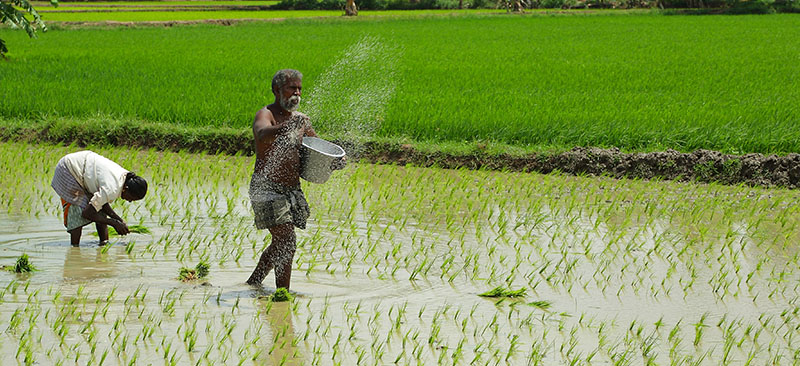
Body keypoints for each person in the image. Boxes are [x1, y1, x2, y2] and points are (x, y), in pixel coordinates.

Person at [246, 69, 345, 289]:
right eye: (292, 88)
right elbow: (262, 133)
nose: (297, 93)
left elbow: (317, 147)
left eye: (299, 88)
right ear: (277, 90)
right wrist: (285, 127)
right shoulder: (267, 115)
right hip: (267, 187)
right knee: (286, 241)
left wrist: (335, 161)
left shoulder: (301, 120)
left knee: (281, 242)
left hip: (291, 189)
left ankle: (253, 283)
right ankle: (283, 294)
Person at [51, 151, 147, 246]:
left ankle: (103, 244)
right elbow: (87, 213)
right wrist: (113, 223)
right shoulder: (112, 188)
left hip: (83, 167)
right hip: (68, 169)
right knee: (77, 210)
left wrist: (119, 220)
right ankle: (74, 249)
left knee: (99, 210)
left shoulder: (125, 178)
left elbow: (101, 203)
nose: (129, 201)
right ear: (126, 189)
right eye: (131, 198)